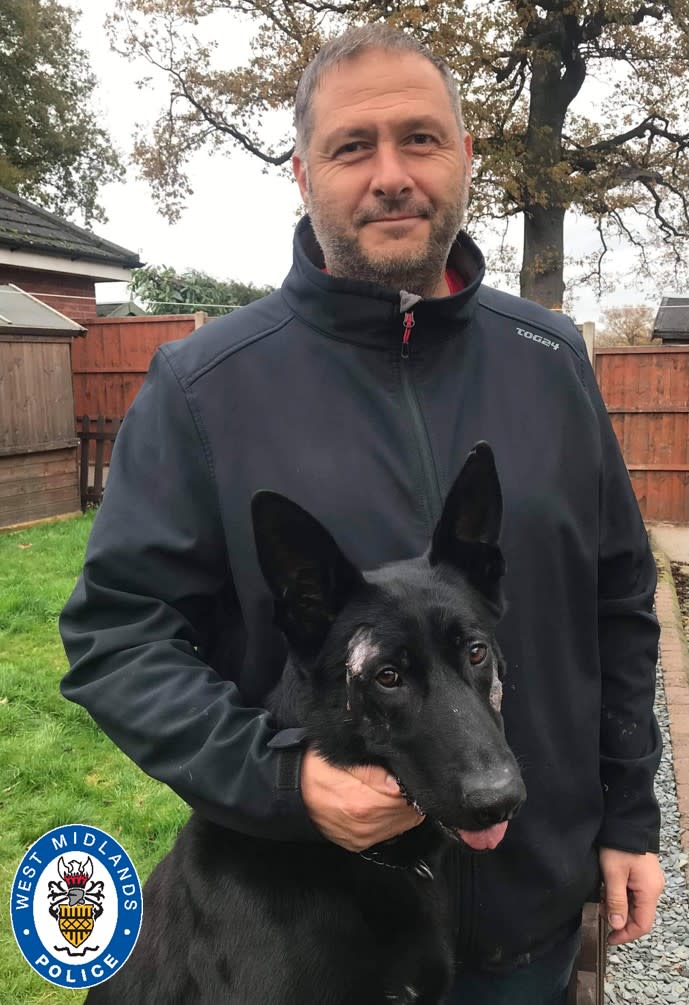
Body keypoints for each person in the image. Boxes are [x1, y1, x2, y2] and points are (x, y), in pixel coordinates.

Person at [59, 24, 665, 1004]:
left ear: (465, 157)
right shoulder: (203, 389)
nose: (390, 173)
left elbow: (618, 605)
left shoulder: (551, 363)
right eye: (352, 147)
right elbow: (117, 636)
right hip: (309, 942)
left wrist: (627, 820)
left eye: (420, 139)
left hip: (529, 926)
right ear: (303, 173)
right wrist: (282, 780)